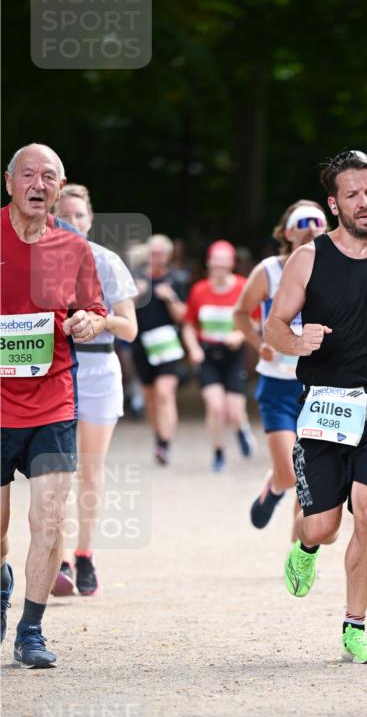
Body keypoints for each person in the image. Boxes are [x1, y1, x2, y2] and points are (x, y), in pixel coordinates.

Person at [265, 149, 367, 664]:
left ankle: (355, 626)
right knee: (324, 525)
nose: (365, 202)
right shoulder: (308, 258)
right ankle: (305, 547)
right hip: (325, 410)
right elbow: (273, 329)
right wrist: (298, 341)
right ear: (334, 204)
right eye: (353, 194)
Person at [1, 143, 106, 668]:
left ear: (59, 190)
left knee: (47, 521)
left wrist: (89, 321)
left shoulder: (74, 250)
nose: (38, 184)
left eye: (49, 177)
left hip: (53, 405)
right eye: (28, 175)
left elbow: (94, 310)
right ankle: (3, 577)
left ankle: (31, 632)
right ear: (9, 182)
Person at [50, 183, 138, 597]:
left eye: (79, 215)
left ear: (90, 220)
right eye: (64, 214)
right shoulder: (39, 262)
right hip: (55, 371)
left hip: (100, 369)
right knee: (56, 470)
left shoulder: (106, 261)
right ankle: (59, 559)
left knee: (89, 469)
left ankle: (84, 555)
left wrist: (99, 321)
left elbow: (130, 327)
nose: (72, 222)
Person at [233, 200, 328, 536]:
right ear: (287, 231)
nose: (311, 227)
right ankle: (275, 486)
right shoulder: (269, 271)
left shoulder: (334, 270)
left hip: (318, 386)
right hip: (278, 386)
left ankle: (299, 551)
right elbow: (240, 313)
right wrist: (259, 341)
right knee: (290, 474)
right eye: (302, 222)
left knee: (309, 475)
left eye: (318, 220)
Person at [181, 241, 255, 471]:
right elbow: (189, 325)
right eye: (216, 261)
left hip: (233, 354)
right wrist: (193, 348)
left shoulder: (244, 287)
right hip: (208, 354)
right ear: (209, 262)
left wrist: (240, 335)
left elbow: (255, 320)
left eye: (225, 261)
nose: (220, 266)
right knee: (215, 407)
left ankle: (241, 429)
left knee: (234, 411)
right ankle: (218, 453)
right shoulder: (199, 290)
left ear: (232, 263)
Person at [132, 234, 189, 465]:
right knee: (151, 397)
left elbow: (184, 315)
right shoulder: (136, 280)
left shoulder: (175, 280)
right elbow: (122, 310)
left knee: (165, 392)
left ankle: (165, 444)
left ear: (167, 255)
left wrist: (170, 298)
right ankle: (159, 437)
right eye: (152, 253)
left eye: (160, 253)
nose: (156, 257)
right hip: (141, 345)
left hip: (167, 345)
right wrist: (136, 295)